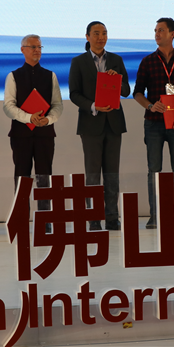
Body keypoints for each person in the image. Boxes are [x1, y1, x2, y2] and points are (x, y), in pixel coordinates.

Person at [133, 18, 174, 230]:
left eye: (161, 30)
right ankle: (155, 215)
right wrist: (150, 106)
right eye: (155, 31)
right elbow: (137, 93)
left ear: (172, 34)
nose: (157, 34)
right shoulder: (148, 61)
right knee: (154, 170)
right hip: (154, 124)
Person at [69, 21, 130, 231]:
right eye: (96, 33)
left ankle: (112, 217)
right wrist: (93, 105)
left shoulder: (116, 60)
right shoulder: (78, 61)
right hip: (91, 123)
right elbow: (74, 94)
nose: (101, 37)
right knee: (93, 174)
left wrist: (117, 80)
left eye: (104, 33)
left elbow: (126, 90)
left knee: (112, 173)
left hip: (114, 123)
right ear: (87, 37)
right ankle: (93, 217)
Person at [3, 34, 63, 227]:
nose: (37, 50)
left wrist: (48, 119)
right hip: (21, 135)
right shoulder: (13, 76)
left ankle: (45, 220)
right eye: (33, 47)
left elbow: (57, 105)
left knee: (45, 177)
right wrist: (29, 118)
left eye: (39, 47)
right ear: (23, 50)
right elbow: (8, 106)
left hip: (45, 134)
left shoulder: (50, 75)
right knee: (22, 177)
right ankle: (21, 220)